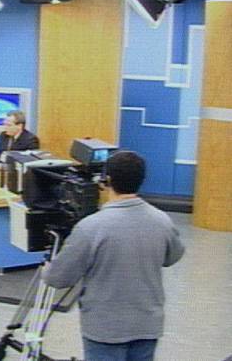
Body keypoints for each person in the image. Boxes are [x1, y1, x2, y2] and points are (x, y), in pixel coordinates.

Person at [41, 151, 185, 361]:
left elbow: (58, 278)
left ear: (106, 180)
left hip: (105, 329)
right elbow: (173, 256)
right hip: (147, 324)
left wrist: (47, 268)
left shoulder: (90, 227)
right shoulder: (162, 220)